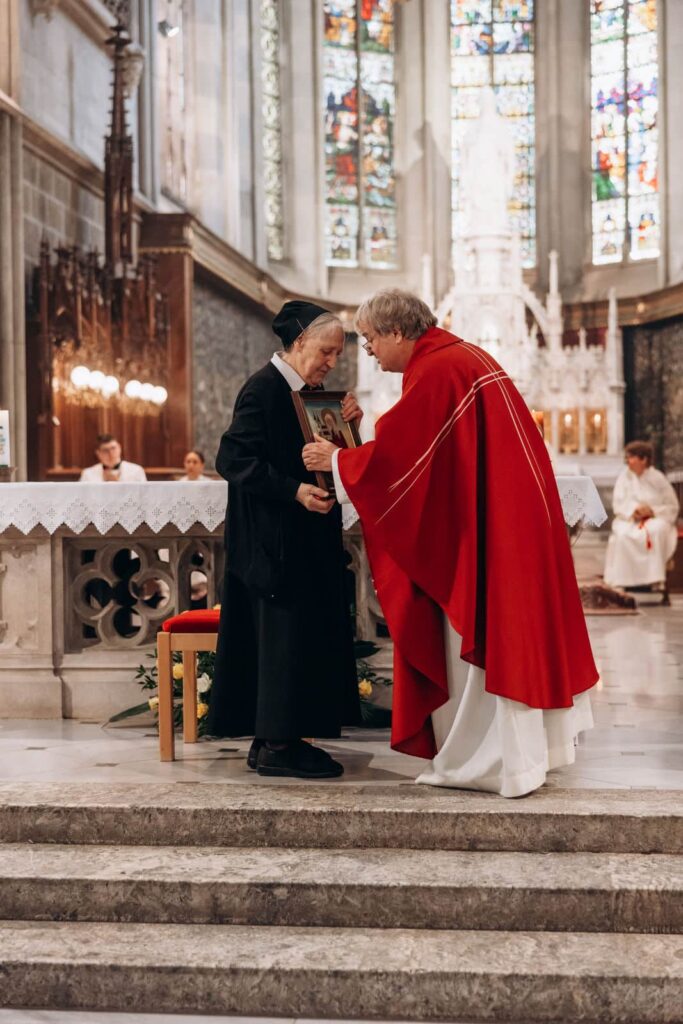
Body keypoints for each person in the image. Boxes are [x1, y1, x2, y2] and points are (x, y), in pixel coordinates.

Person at [303, 289, 598, 798]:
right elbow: (427, 456)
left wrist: (336, 459)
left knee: (477, 645)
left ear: (397, 332)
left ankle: (485, 763)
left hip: (478, 539)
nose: (368, 350)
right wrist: (354, 435)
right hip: (499, 527)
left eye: (371, 339)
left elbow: (401, 466)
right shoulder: (464, 358)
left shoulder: (439, 369)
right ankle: (523, 758)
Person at [206, 300, 362, 779]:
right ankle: (279, 746)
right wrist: (294, 491)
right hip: (275, 543)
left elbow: (325, 458)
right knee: (282, 640)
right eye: (325, 352)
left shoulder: (309, 394)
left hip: (302, 539)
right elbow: (233, 461)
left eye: (337, 354)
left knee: (296, 638)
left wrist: (349, 427)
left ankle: (271, 740)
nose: (331, 362)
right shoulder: (264, 389)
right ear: (298, 343)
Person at [604, 440, 679, 595]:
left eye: (631, 457)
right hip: (630, 519)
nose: (628, 461)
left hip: (656, 518)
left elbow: (672, 505)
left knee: (656, 531)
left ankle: (654, 579)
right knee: (623, 534)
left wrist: (652, 511)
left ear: (643, 459)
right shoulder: (624, 478)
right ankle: (626, 581)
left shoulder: (658, 478)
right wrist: (634, 511)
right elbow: (618, 503)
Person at [80, 434, 146, 482]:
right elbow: (83, 497)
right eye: (105, 450)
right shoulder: (88, 474)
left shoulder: (137, 471)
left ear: (119, 448)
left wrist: (117, 483)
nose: (110, 453)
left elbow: (144, 496)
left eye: (113, 448)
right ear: (98, 453)